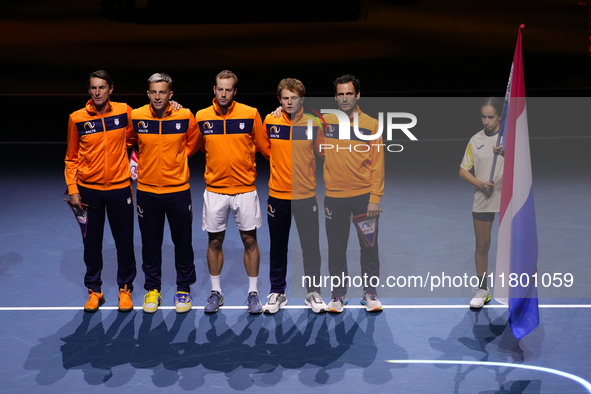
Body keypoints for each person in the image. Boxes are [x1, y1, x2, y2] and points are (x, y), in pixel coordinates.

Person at [194, 70, 271, 314]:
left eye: (228, 89)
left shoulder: (250, 114)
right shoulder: (202, 116)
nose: (224, 93)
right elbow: (190, 145)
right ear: (214, 90)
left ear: (234, 92)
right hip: (215, 191)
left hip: (245, 190)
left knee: (250, 240)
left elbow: (266, 147)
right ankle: (216, 292)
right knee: (214, 241)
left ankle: (253, 293)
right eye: (220, 88)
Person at [65, 70, 137, 313]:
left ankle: (125, 288)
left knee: (124, 242)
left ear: (111, 89)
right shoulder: (76, 118)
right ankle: (94, 290)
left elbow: (133, 136)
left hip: (120, 188)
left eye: (102, 88)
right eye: (93, 88)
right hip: (88, 192)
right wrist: (73, 189)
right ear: (89, 90)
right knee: (92, 244)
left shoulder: (124, 111)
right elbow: (71, 158)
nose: (97, 92)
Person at [130, 72, 198, 314]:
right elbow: (127, 141)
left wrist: (177, 159)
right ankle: (152, 289)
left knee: (183, 243)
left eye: (162, 92)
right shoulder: (136, 116)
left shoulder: (184, 114)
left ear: (171, 94)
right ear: (148, 94)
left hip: (178, 190)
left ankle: (183, 289)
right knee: (150, 244)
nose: (157, 96)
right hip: (147, 192)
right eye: (153, 92)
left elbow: (194, 141)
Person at [319, 74, 385, 313]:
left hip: (363, 197)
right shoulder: (324, 122)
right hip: (334, 197)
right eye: (340, 94)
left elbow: (377, 164)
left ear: (358, 95)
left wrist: (374, 198)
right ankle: (338, 295)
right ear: (335, 96)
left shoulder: (370, 124)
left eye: (349, 93)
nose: (345, 98)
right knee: (336, 247)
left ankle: (370, 293)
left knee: (368, 246)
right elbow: (319, 149)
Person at [261, 78, 326, 314]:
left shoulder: (314, 123)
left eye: (294, 98)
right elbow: (265, 148)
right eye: (285, 98)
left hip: (306, 195)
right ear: (279, 100)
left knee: (311, 247)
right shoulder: (270, 120)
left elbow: (323, 152)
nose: (289, 102)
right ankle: (277, 292)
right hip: (278, 195)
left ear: (302, 99)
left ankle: (313, 292)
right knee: (278, 246)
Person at [459, 97, 505, 309]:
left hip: (506, 198)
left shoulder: (508, 139)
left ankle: (520, 288)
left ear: (499, 117)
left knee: (512, 246)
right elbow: (463, 170)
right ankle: (482, 290)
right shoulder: (475, 139)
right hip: (483, 197)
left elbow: (523, 164)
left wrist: (505, 152)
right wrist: (479, 183)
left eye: (490, 117)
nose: (486, 121)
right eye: (483, 116)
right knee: (482, 245)